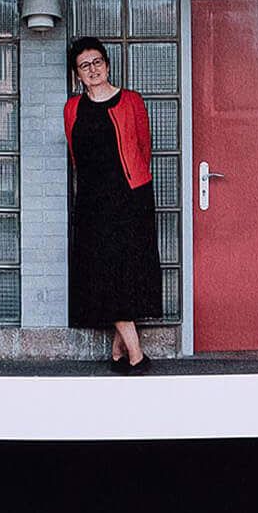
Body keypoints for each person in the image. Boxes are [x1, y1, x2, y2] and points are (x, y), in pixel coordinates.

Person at [64, 36, 168, 373]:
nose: (92, 69)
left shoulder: (131, 101)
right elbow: (76, 154)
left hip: (130, 198)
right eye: (84, 65)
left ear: (107, 65)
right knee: (103, 271)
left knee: (127, 271)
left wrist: (133, 185)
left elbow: (142, 147)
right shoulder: (72, 108)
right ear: (77, 74)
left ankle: (126, 353)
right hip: (92, 203)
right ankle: (128, 352)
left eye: (97, 62)